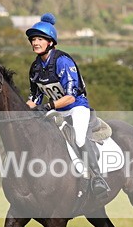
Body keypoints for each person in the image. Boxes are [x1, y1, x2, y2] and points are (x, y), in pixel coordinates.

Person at [25, 13, 110, 198]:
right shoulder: (35, 68)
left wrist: (49, 106)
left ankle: (97, 178)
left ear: (50, 42)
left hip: (76, 108)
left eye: (39, 39)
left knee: (79, 138)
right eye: (33, 39)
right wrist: (19, 112)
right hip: (55, 111)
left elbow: (70, 97)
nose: (35, 43)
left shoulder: (62, 61)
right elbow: (35, 98)